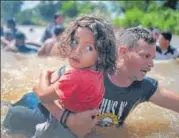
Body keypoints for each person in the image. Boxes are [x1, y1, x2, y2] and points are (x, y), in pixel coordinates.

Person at [3, 27, 179, 138]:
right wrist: (67, 118)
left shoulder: (145, 87)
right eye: (145, 56)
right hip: (33, 110)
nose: (151, 64)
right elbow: (42, 92)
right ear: (123, 51)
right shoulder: (90, 70)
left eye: (153, 57)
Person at [3, 16, 116, 138]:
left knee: (13, 113)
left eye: (88, 47)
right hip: (78, 125)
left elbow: (42, 96)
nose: (77, 51)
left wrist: (44, 74)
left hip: (58, 128)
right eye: (75, 42)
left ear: (101, 55)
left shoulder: (75, 75)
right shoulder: (98, 73)